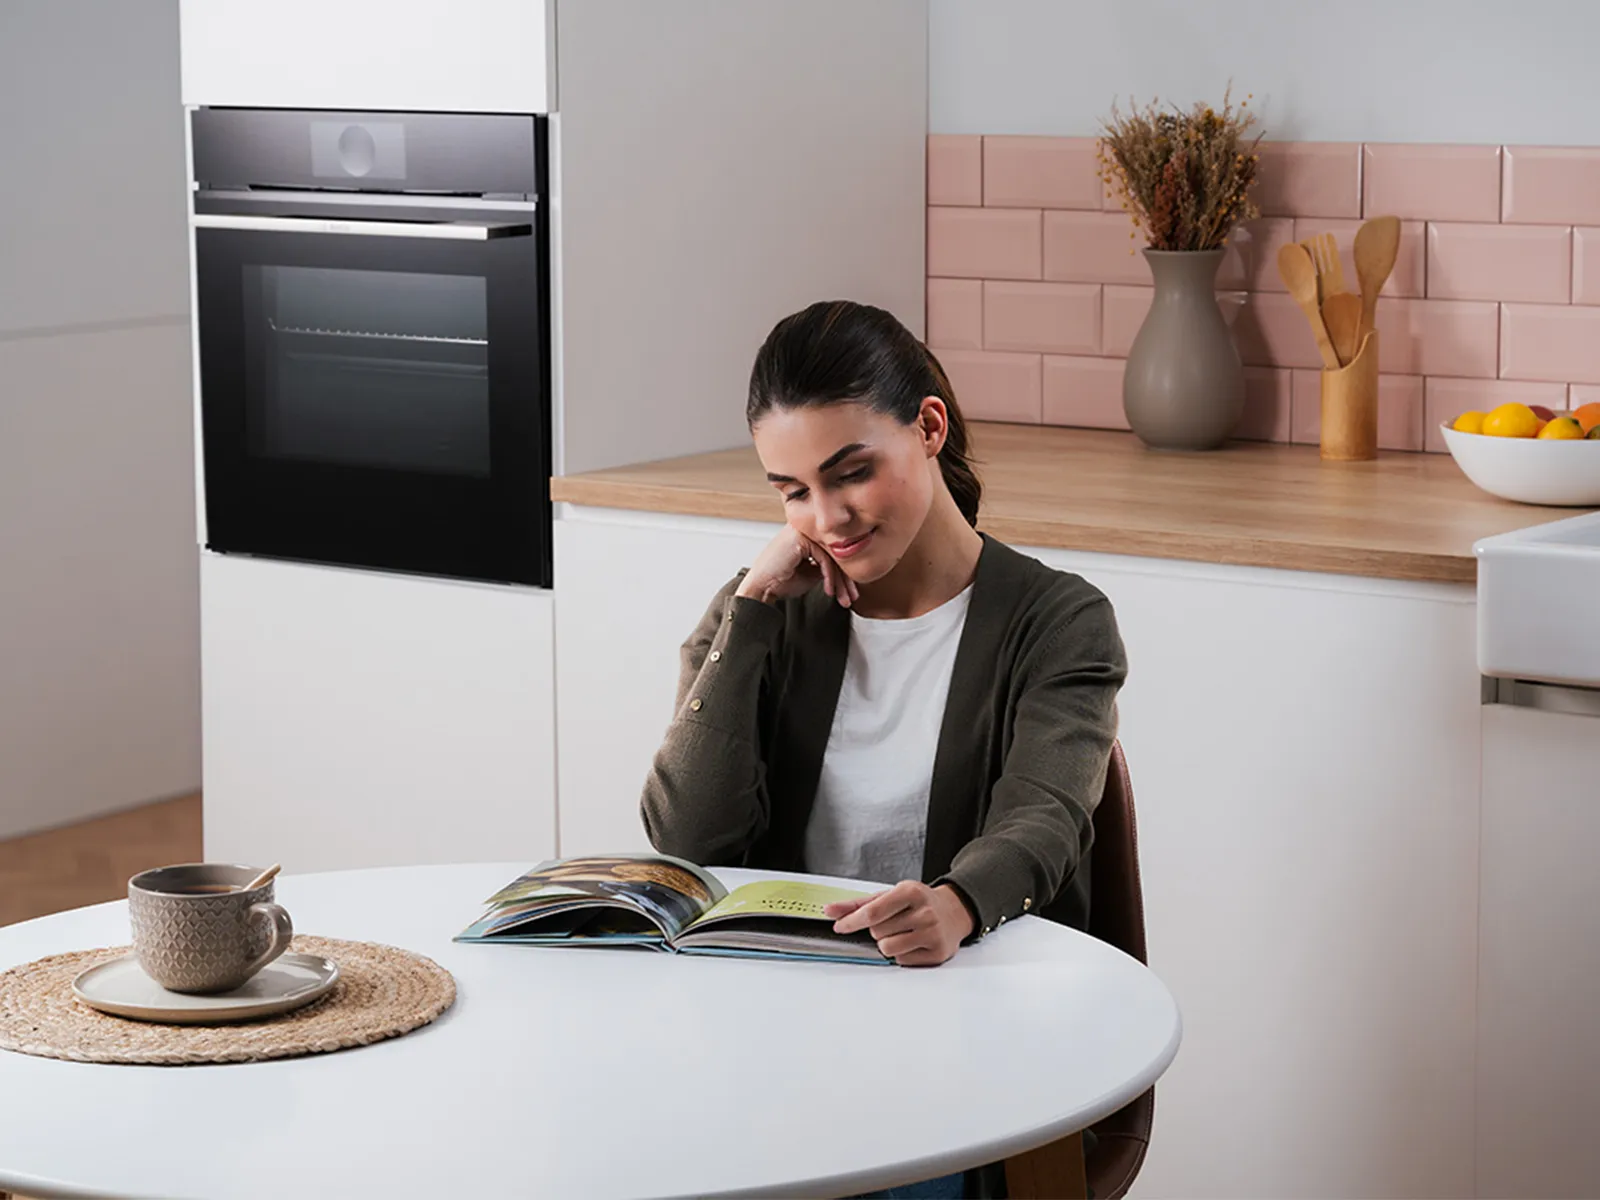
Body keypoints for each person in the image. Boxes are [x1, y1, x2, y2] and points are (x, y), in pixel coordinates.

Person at [639, 299, 1128, 1200]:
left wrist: (956, 903)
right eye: (791, 491)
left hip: (975, 1036)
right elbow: (686, 838)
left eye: (849, 473)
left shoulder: (1058, 621)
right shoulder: (762, 613)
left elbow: (1046, 814)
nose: (825, 517)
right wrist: (749, 610)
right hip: (778, 1035)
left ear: (929, 427)